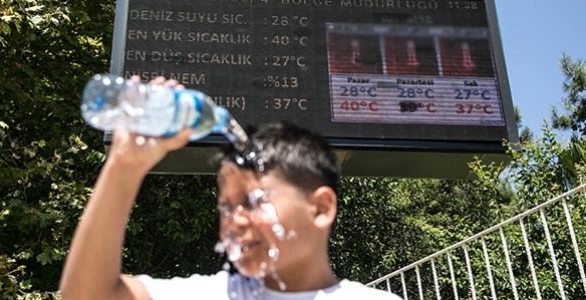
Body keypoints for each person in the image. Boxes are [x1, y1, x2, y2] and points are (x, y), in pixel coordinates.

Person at [59, 77, 401, 300]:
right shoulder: (218, 294)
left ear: (321, 208)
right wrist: (124, 166)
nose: (233, 222)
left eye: (254, 201)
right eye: (225, 207)